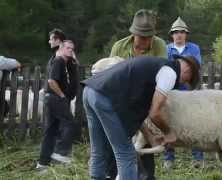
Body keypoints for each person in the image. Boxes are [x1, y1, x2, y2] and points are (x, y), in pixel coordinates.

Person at [82, 55, 200, 180]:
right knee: (126, 153)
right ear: (188, 69)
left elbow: (137, 111)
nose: (184, 83)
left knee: (98, 148)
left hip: (90, 91)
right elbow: (155, 112)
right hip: (106, 98)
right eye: (188, 80)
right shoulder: (169, 73)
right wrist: (169, 133)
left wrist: (151, 137)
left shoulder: (153, 65)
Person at [108, 9, 167, 180]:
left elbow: (161, 74)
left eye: (149, 37)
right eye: (142, 36)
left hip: (145, 102)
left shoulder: (159, 45)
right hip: (121, 101)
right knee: (119, 141)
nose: (146, 41)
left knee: (144, 141)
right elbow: (109, 76)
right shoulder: (119, 46)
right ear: (133, 33)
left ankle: (146, 176)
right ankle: (115, 175)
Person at [164, 17, 204, 169]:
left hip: (189, 92)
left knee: (194, 124)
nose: (179, 35)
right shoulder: (167, 49)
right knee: (168, 124)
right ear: (172, 35)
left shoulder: (194, 48)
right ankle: (168, 159)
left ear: (186, 34)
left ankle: (197, 160)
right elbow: (165, 67)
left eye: (182, 32)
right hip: (170, 92)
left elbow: (195, 66)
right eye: (176, 32)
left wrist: (178, 69)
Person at [37, 40, 79, 169]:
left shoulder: (66, 63)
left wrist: (73, 60)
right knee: (70, 123)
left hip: (52, 98)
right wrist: (61, 96)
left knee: (50, 130)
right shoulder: (59, 61)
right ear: (60, 49)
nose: (70, 50)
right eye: (67, 48)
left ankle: (42, 163)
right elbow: (51, 81)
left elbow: (75, 67)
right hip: (55, 97)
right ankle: (60, 153)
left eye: (72, 49)